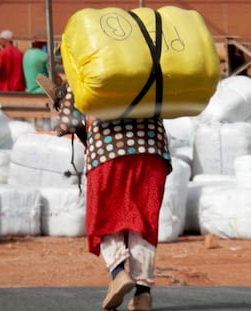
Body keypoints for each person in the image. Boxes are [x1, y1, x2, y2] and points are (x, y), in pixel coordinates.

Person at [37, 73, 172, 311]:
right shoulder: (149, 62)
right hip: (153, 150)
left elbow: (69, 123)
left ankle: (119, 273)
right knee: (144, 222)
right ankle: (143, 294)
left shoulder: (92, 63)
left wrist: (62, 100)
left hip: (109, 151)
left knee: (105, 217)